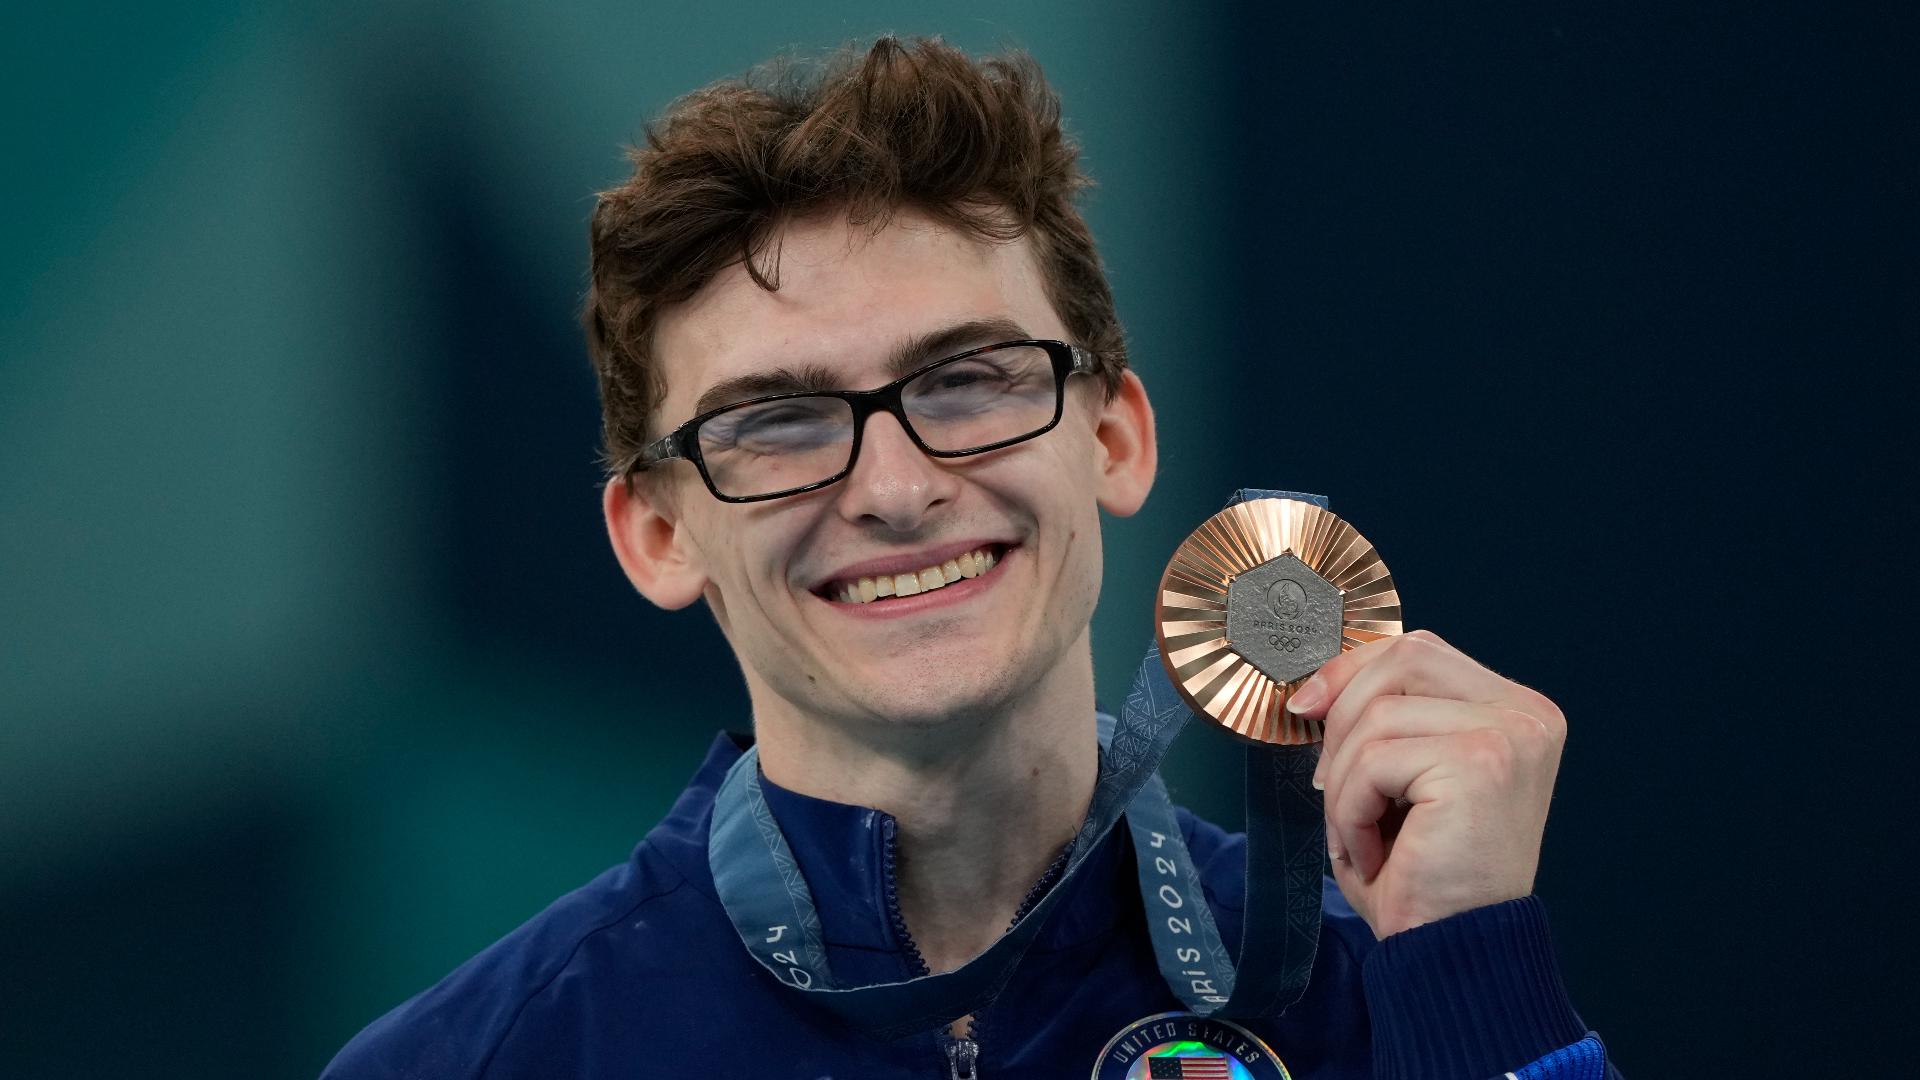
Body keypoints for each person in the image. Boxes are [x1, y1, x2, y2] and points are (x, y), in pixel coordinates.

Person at [323, 36, 1620, 1079]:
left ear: (1114, 439)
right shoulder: (477, 1060)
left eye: (969, 381)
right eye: (778, 423)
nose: (894, 489)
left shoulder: (1391, 997)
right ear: (659, 536)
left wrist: (1472, 979)